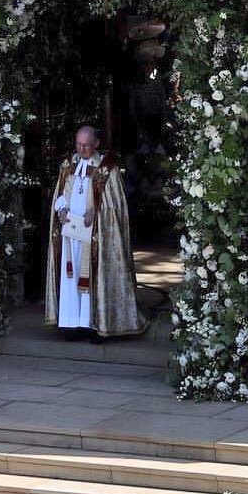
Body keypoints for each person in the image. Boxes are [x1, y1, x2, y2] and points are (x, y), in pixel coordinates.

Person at [44, 124, 148, 338]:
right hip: (71, 232)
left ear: (97, 144)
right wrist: (61, 209)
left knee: (93, 276)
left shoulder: (107, 167)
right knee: (70, 276)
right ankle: (71, 323)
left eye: (87, 146)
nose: (82, 150)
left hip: (96, 234)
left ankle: (94, 324)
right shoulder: (68, 164)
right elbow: (61, 192)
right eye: (78, 145)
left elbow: (115, 205)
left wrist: (96, 211)